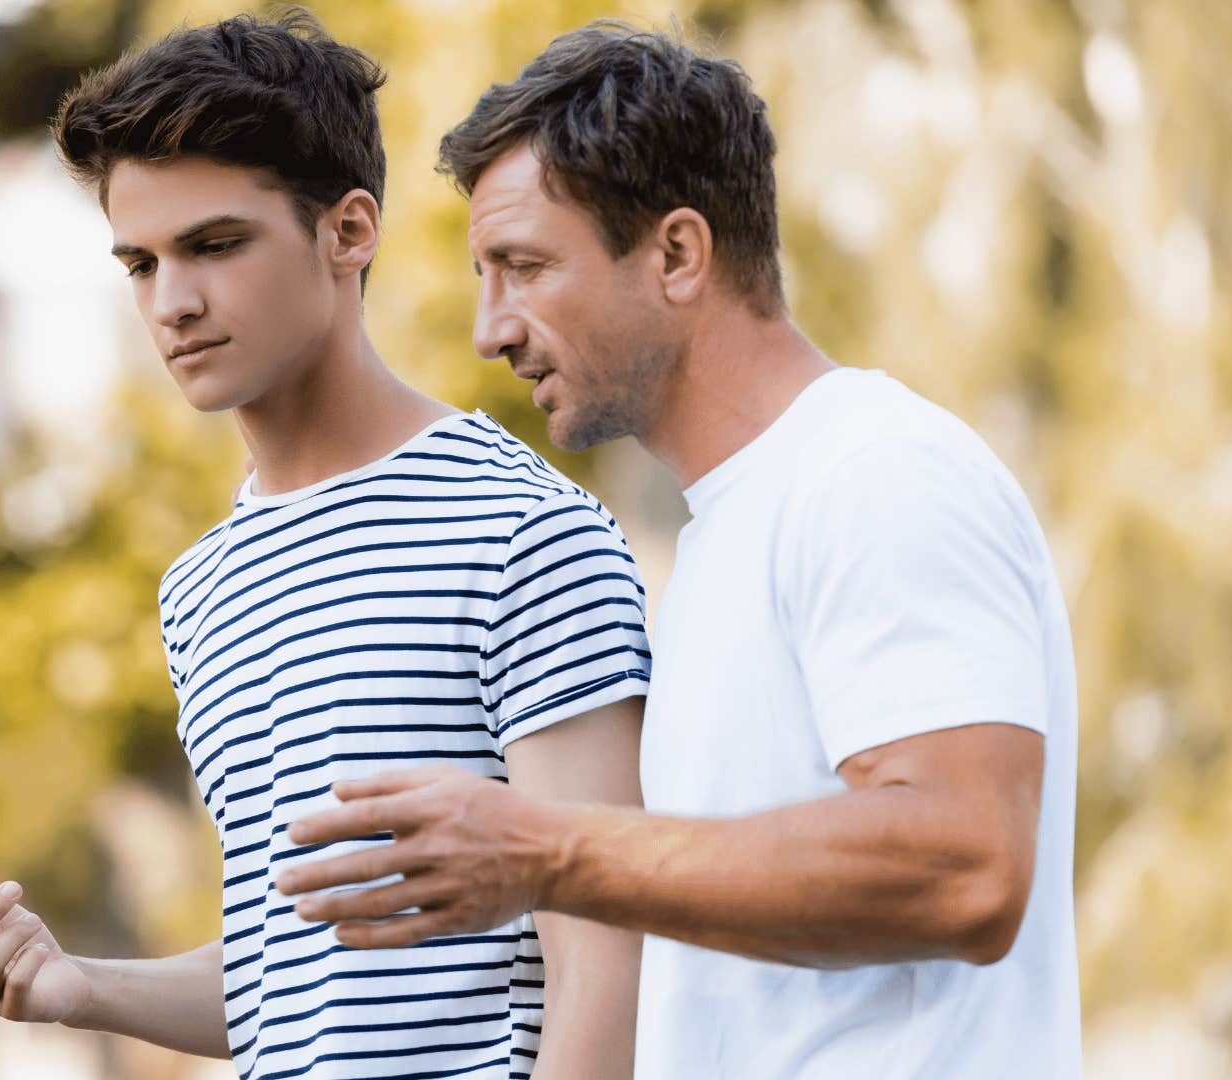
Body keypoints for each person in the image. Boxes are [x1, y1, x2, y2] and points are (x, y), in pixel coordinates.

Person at [277, 22, 1082, 1079]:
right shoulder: (720, 541)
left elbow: (967, 865)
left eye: (523, 268)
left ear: (677, 253)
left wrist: (547, 850)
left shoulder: (875, 471)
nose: (491, 329)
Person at [0, 11, 651, 1079]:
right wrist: (84, 989)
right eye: (140, 263)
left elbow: (608, 955)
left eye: (215, 246)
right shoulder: (203, 587)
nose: (174, 303)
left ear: (349, 232)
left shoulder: (520, 535)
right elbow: (293, 976)